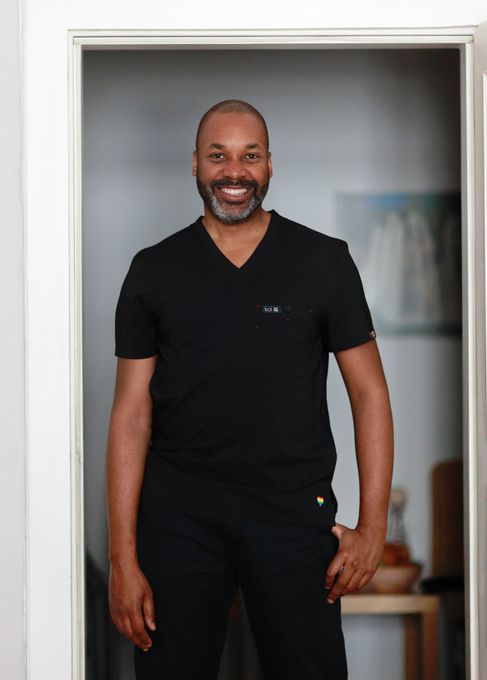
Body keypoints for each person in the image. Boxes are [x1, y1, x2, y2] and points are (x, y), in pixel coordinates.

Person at [106, 98, 394, 680]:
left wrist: (373, 528)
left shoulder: (324, 262)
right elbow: (131, 415)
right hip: (179, 519)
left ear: (269, 165)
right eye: (218, 156)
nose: (234, 171)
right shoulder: (152, 270)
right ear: (195, 163)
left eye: (250, 156)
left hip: (293, 515)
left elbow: (369, 395)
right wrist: (122, 558)